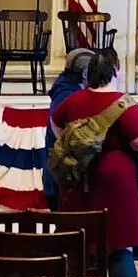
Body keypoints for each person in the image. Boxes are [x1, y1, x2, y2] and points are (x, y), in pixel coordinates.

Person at [51, 51, 138, 277]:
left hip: (78, 182)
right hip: (116, 186)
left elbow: (56, 127)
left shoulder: (72, 100)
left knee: (81, 248)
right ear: (114, 72)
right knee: (119, 249)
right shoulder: (123, 105)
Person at [41, 46, 98, 210]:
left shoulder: (66, 90)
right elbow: (64, 135)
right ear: (85, 74)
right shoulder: (67, 96)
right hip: (62, 177)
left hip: (61, 175)